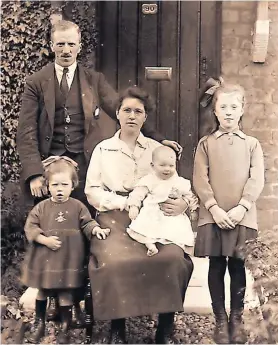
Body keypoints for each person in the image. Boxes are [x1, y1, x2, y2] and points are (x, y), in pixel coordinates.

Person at [16, 19, 182, 325]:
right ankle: (53, 301)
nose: (66, 50)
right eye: (60, 44)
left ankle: (77, 301)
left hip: (83, 166)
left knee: (81, 235)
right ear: (51, 46)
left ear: (80, 47)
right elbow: (26, 131)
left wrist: (158, 140)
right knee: (53, 231)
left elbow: (123, 110)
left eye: (71, 44)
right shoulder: (36, 82)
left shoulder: (93, 79)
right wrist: (35, 173)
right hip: (51, 172)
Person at [85, 86, 193, 344]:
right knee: (114, 261)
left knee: (174, 258)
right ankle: (117, 326)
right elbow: (92, 190)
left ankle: (165, 326)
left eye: (138, 111)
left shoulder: (157, 149)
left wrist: (184, 206)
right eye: (126, 110)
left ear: (145, 117)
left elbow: (180, 186)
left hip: (156, 220)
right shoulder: (104, 149)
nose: (132, 116)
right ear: (118, 114)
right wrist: (122, 203)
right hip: (114, 216)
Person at [193, 81, 264, 344]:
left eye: (234, 107)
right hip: (214, 216)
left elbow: (256, 179)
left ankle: (236, 319)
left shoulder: (252, 145)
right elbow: (200, 179)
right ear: (215, 111)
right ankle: (220, 320)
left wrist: (242, 207)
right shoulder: (206, 144)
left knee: (237, 266)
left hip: (241, 215)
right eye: (223, 107)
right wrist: (213, 208)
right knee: (216, 264)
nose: (228, 112)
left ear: (242, 110)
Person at [21, 157, 110, 344]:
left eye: (64, 184)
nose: (59, 189)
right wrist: (43, 239)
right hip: (47, 260)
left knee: (66, 293)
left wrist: (96, 229)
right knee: (43, 291)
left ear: (73, 185)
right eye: (55, 185)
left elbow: (87, 223)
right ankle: (39, 323)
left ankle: (64, 327)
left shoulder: (78, 207)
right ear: (47, 186)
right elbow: (31, 227)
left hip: (69, 259)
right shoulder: (41, 207)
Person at [127, 145, 198, 256]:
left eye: (171, 165)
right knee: (145, 229)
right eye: (162, 165)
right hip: (152, 213)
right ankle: (150, 245)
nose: (167, 169)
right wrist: (134, 206)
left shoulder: (179, 181)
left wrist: (193, 209)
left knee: (177, 234)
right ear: (152, 165)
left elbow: (189, 196)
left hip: (171, 215)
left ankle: (175, 247)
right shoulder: (149, 180)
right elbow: (137, 194)